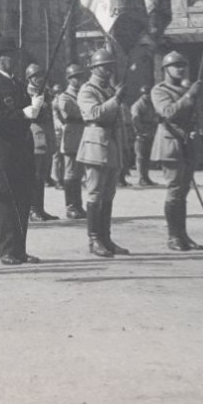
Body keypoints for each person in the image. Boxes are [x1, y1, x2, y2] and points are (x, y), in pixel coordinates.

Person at [0, 38, 40, 265]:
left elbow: (30, 113)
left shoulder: (17, 83)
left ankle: (20, 249)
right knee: (7, 202)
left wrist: (36, 103)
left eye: (13, 55)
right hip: (3, 151)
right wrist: (24, 114)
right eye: (8, 56)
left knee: (23, 201)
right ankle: (6, 250)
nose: (12, 60)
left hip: (22, 148)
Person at [76, 47, 132, 258]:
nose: (109, 71)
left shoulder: (109, 90)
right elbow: (94, 113)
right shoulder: (87, 90)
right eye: (105, 67)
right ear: (95, 68)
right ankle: (94, 239)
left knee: (108, 194)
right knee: (95, 193)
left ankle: (106, 238)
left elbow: (119, 120)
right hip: (95, 144)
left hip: (111, 144)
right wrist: (116, 99)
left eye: (110, 67)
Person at [149, 50, 203, 252]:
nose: (181, 69)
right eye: (176, 66)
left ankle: (183, 235)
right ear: (166, 69)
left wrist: (194, 97)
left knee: (183, 191)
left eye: (183, 66)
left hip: (187, 143)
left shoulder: (187, 89)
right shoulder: (159, 90)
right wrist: (189, 96)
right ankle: (173, 237)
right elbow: (167, 112)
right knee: (174, 190)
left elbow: (196, 115)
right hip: (170, 143)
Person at [53, 62, 89, 220]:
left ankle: (78, 205)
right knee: (70, 173)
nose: (78, 80)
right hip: (71, 136)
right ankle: (71, 206)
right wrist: (86, 111)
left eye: (80, 76)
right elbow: (71, 112)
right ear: (69, 79)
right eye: (75, 77)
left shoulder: (83, 94)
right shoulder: (64, 97)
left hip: (82, 135)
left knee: (79, 173)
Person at [23, 62, 58, 222]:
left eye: (40, 76)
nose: (39, 79)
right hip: (35, 138)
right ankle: (32, 210)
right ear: (29, 78)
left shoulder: (44, 93)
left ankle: (40, 208)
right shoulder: (26, 94)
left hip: (46, 138)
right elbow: (32, 114)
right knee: (34, 177)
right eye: (35, 76)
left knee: (42, 176)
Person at [130, 90, 159, 187]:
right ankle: (141, 178)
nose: (147, 96)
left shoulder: (150, 104)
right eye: (145, 94)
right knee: (140, 156)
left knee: (147, 156)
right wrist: (139, 132)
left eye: (148, 94)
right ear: (142, 94)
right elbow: (135, 119)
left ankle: (146, 177)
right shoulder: (137, 105)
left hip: (150, 131)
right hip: (141, 133)